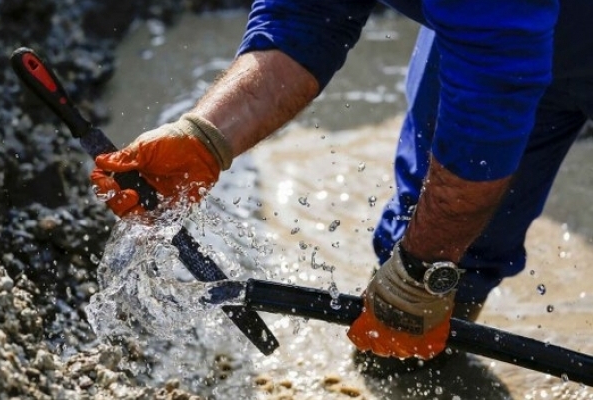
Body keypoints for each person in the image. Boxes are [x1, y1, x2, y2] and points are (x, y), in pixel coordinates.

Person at [92, 0, 592, 382]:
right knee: (443, 257)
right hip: (507, 32)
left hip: (510, 30)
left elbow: (490, 103)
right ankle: (412, 361)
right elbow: (306, 16)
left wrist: (420, 273)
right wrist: (204, 138)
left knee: (427, 264)